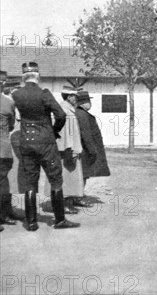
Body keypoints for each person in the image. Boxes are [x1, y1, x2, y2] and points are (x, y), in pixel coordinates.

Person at [11, 62, 79, 230]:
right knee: (55, 179)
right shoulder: (44, 93)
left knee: (30, 182)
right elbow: (61, 115)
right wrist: (54, 131)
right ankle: (59, 220)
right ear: (38, 75)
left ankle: (32, 222)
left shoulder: (17, 94)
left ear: (23, 76)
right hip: (46, 142)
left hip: (26, 142)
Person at [45, 86, 86, 215]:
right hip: (66, 150)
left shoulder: (68, 109)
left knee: (69, 177)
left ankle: (66, 203)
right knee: (64, 177)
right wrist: (70, 150)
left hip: (70, 148)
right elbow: (63, 133)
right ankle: (60, 205)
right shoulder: (64, 110)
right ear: (69, 97)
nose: (77, 99)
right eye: (75, 96)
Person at [0, 71, 24, 229]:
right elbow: (10, 125)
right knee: (2, 179)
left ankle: (6, 211)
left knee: (3, 180)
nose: (3, 84)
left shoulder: (7, 101)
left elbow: (10, 125)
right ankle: (4, 213)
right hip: (2, 145)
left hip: (2, 147)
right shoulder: (8, 102)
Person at [75, 91, 111, 189]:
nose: (90, 104)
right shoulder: (82, 114)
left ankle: (77, 196)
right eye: (89, 101)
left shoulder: (78, 113)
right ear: (83, 102)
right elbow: (86, 134)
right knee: (83, 175)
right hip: (85, 150)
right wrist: (92, 150)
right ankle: (78, 197)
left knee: (82, 174)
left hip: (81, 149)